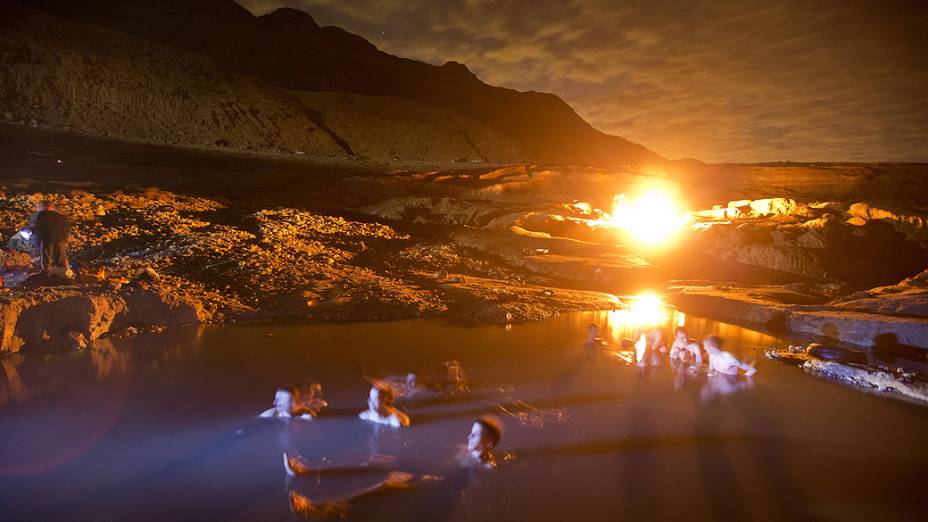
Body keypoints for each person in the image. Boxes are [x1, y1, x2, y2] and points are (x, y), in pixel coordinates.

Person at [31, 200, 71, 275]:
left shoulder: (41, 214)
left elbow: (37, 228)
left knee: (46, 260)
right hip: (59, 240)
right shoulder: (61, 216)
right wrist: (65, 239)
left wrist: (36, 242)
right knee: (61, 259)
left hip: (46, 240)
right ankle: (65, 274)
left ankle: (47, 276)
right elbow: (65, 229)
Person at [260, 383, 328, 419]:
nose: (274, 403)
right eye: (276, 399)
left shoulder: (305, 413)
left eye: (281, 400)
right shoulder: (268, 415)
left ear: (296, 401)